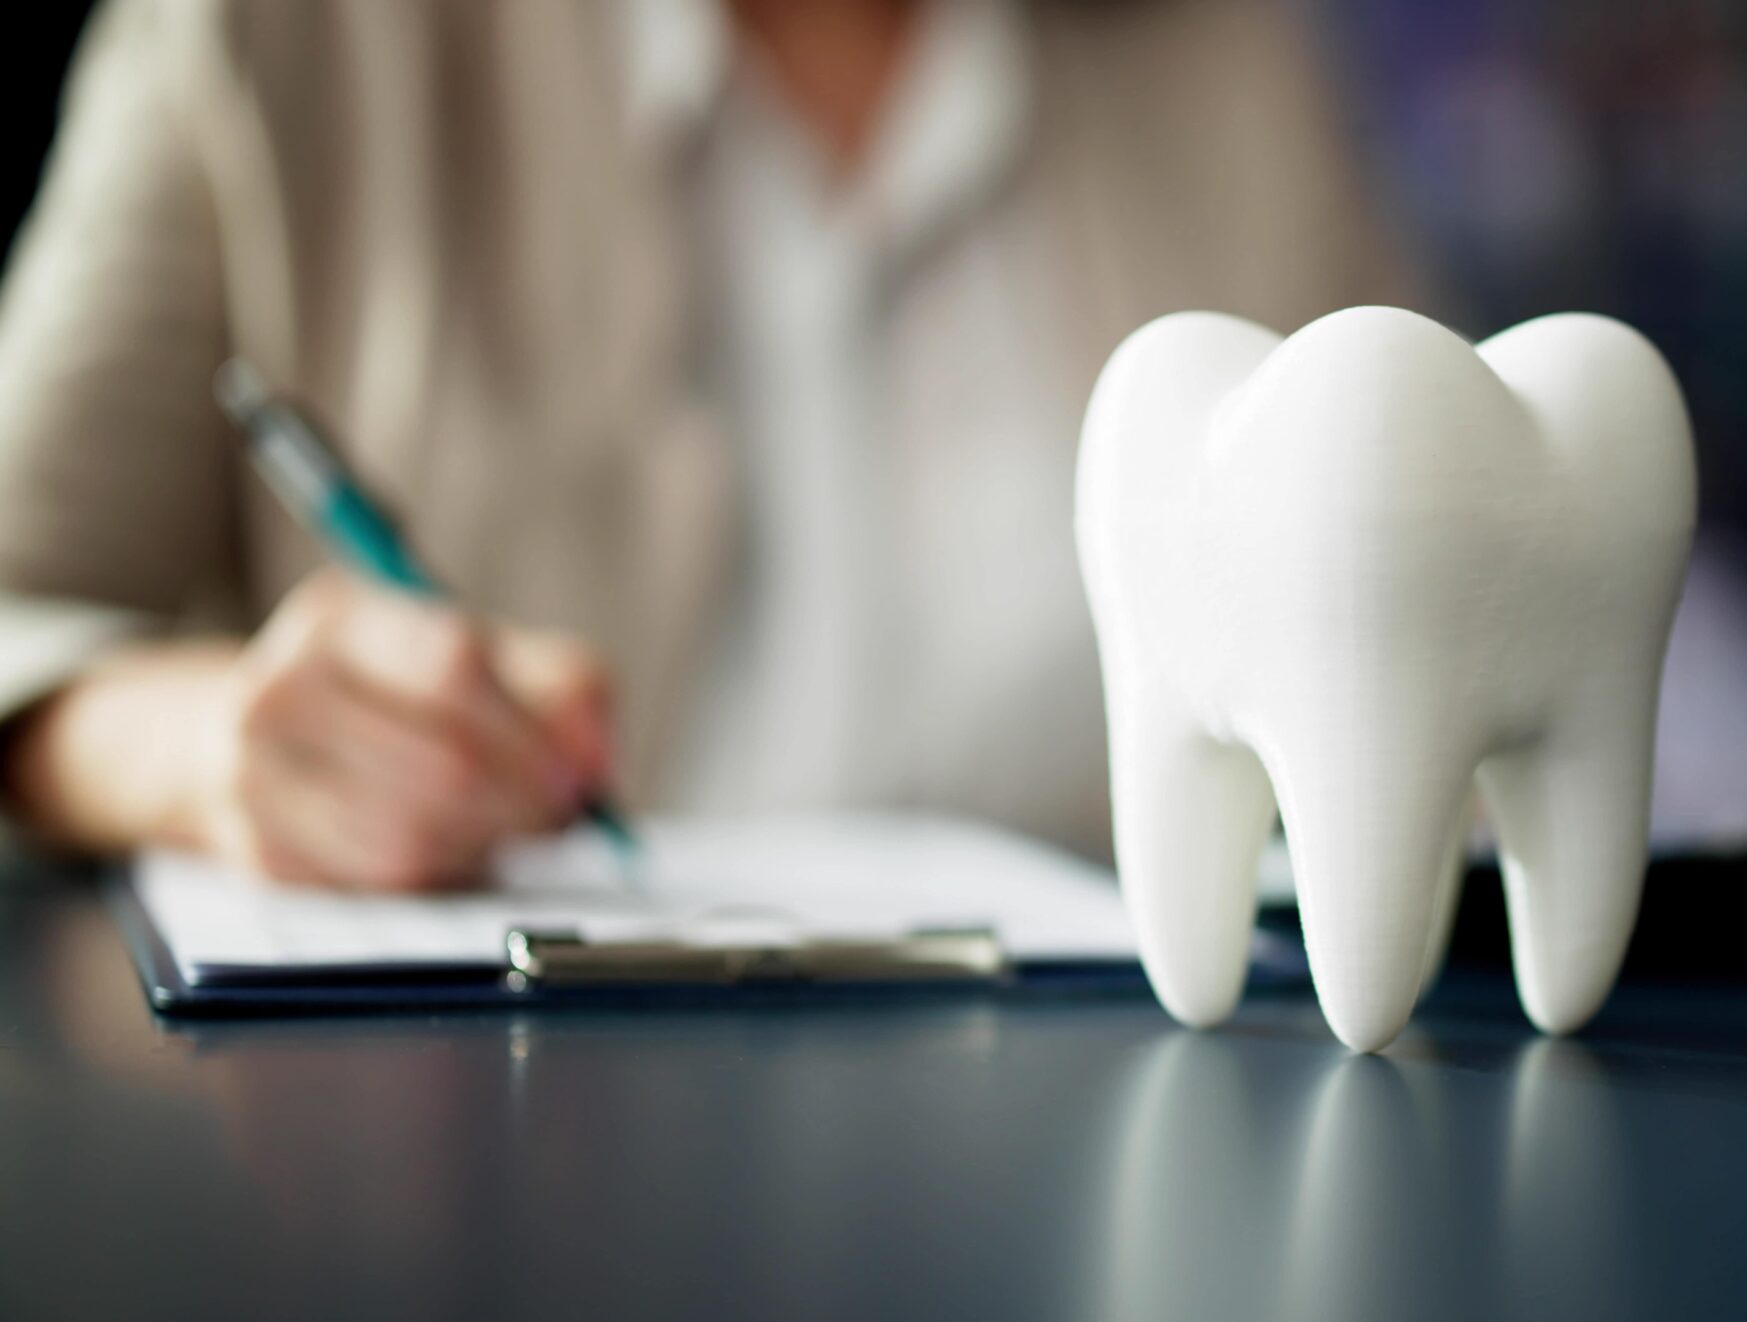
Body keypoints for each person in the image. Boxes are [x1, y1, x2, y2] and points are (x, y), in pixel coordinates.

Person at [0, 0, 1414, 887]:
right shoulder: (270, 39)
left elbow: (1429, 571)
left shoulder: (1225, 55)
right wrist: (204, 747)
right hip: (513, 1143)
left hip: (1148, 1091)